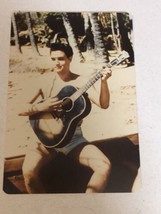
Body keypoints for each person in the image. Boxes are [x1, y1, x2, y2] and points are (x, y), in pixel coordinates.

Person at [18, 43, 112, 193]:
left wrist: (104, 82)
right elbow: (20, 108)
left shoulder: (82, 82)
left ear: (70, 58)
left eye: (61, 59)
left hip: (73, 139)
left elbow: (104, 104)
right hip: (45, 138)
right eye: (53, 58)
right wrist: (41, 107)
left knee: (103, 165)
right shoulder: (44, 81)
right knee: (28, 172)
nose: (56, 63)